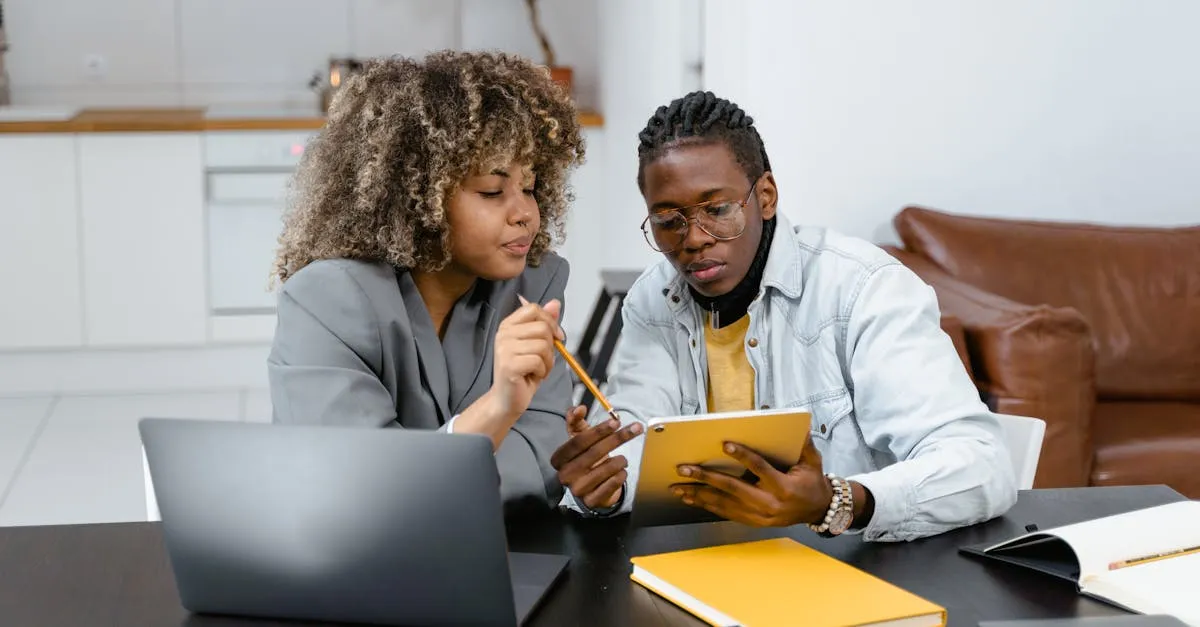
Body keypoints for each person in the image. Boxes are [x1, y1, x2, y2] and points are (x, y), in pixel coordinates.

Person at [552, 91, 1017, 542]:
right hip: (708, 575)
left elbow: (981, 465)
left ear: (767, 196)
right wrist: (608, 487)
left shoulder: (863, 288)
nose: (693, 239)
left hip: (852, 576)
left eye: (717, 210)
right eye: (668, 220)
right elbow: (634, 441)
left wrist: (837, 501)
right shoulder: (651, 300)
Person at [268, 50, 586, 514]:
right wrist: (498, 410)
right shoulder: (326, 301)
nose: (525, 213)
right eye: (492, 191)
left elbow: (541, 466)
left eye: (531, 186)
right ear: (419, 198)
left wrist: (419, 478)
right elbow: (353, 494)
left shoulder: (533, 285)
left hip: (501, 561)